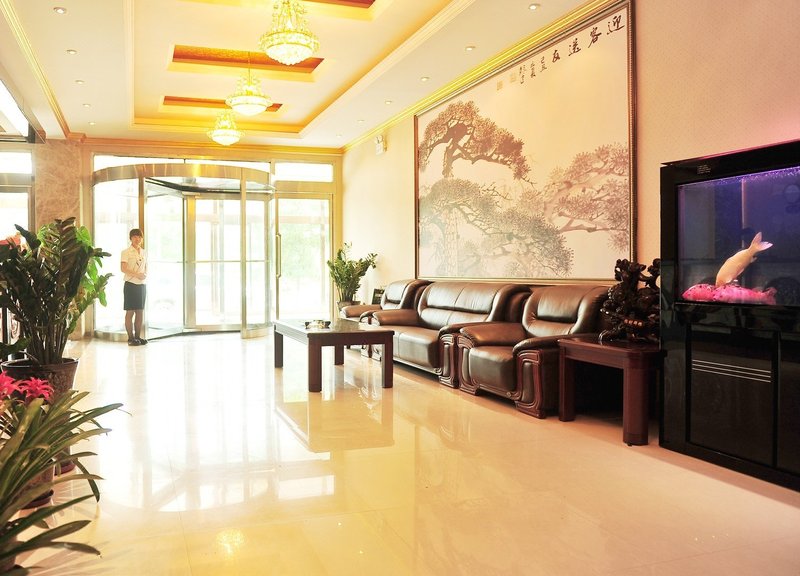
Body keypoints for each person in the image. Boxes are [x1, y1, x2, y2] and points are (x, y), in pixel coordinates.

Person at [120, 228, 147, 346]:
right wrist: (137, 275)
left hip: (142, 285)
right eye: (135, 236)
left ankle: (138, 337)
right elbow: (123, 268)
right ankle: (130, 338)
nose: (137, 239)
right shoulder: (126, 252)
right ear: (130, 238)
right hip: (130, 284)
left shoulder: (144, 252)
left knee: (140, 311)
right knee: (130, 312)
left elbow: (145, 267)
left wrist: (145, 275)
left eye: (139, 237)